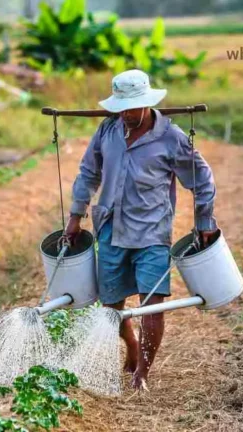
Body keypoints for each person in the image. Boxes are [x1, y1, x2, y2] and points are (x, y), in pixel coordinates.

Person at [64, 69, 218, 390]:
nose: (127, 114)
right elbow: (88, 173)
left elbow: (201, 179)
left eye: (133, 108)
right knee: (111, 307)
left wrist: (204, 221)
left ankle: (142, 374)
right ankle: (131, 345)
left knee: (153, 305)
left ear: (147, 104)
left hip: (152, 234)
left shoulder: (171, 138)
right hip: (110, 229)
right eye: (122, 108)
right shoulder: (107, 131)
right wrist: (76, 215)